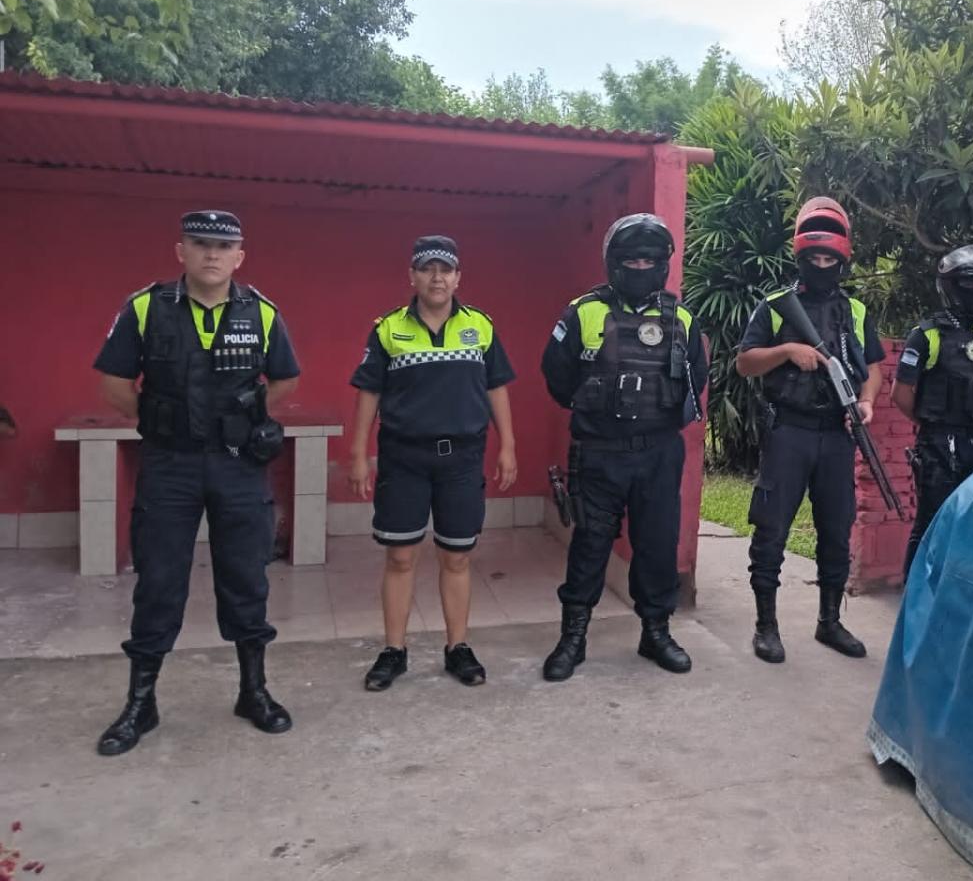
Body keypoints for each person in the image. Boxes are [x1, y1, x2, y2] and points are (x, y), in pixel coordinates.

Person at [93, 209, 300, 756]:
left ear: (240, 257)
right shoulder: (146, 307)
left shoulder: (261, 312)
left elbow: (285, 378)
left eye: (224, 246)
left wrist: (245, 415)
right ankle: (141, 703)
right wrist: (161, 421)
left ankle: (253, 692)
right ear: (180, 251)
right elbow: (114, 381)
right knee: (159, 581)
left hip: (238, 464)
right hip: (171, 464)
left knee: (246, 578)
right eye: (201, 243)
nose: (212, 254)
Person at [539, 213, 708, 681]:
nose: (640, 267)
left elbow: (696, 377)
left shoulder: (682, 318)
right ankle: (573, 637)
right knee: (590, 544)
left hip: (659, 454)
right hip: (600, 453)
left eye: (649, 261)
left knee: (657, 545)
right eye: (631, 260)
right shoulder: (582, 312)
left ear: (663, 265)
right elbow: (557, 376)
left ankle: (656, 633)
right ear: (614, 262)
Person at [347, 235, 518, 691]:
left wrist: (508, 445)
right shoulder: (388, 329)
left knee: (456, 557)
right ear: (413, 276)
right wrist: (358, 453)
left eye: (445, 270)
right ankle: (393, 651)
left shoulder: (480, 326)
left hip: (462, 459)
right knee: (400, 556)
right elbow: (369, 392)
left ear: (458, 277)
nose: (437, 278)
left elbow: (496, 387)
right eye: (427, 269)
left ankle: (457, 647)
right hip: (404, 458)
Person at [734, 197, 885, 663]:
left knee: (835, 531)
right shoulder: (777, 307)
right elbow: (744, 363)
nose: (822, 267)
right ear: (801, 257)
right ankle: (766, 626)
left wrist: (866, 401)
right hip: (789, 432)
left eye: (829, 260)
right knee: (772, 531)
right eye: (814, 258)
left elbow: (874, 368)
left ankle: (829, 622)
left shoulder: (855, 311)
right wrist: (787, 352)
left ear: (842, 260)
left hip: (836, 434)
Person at [892, 245, 973, 578]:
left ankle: (964, 594)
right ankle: (914, 595)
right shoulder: (927, 335)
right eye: (969, 284)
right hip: (939, 445)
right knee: (931, 523)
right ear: (950, 286)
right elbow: (900, 394)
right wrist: (932, 423)